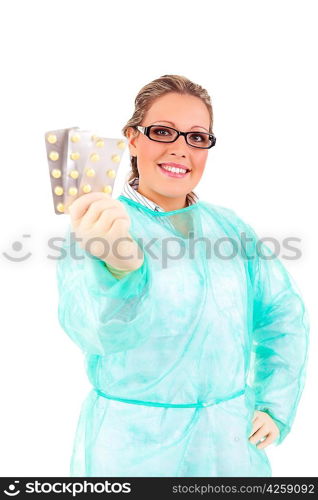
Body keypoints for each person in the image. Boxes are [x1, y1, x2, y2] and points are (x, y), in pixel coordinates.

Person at [56, 74, 309, 477]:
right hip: (134, 452)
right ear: (133, 140)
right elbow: (97, 332)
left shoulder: (231, 229)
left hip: (229, 446)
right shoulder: (102, 226)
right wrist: (120, 268)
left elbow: (282, 315)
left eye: (197, 137)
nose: (180, 149)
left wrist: (273, 405)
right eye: (162, 132)